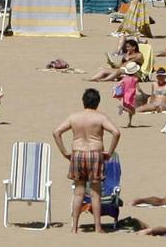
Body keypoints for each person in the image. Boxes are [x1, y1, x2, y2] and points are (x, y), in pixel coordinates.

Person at [53, 87, 122, 234]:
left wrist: (65, 152)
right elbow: (116, 132)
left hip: (77, 153)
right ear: (98, 103)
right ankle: (98, 227)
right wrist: (109, 152)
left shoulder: (74, 117)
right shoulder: (100, 117)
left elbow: (56, 132)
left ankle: (74, 227)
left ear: (83, 101)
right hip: (95, 154)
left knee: (78, 193)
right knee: (95, 194)